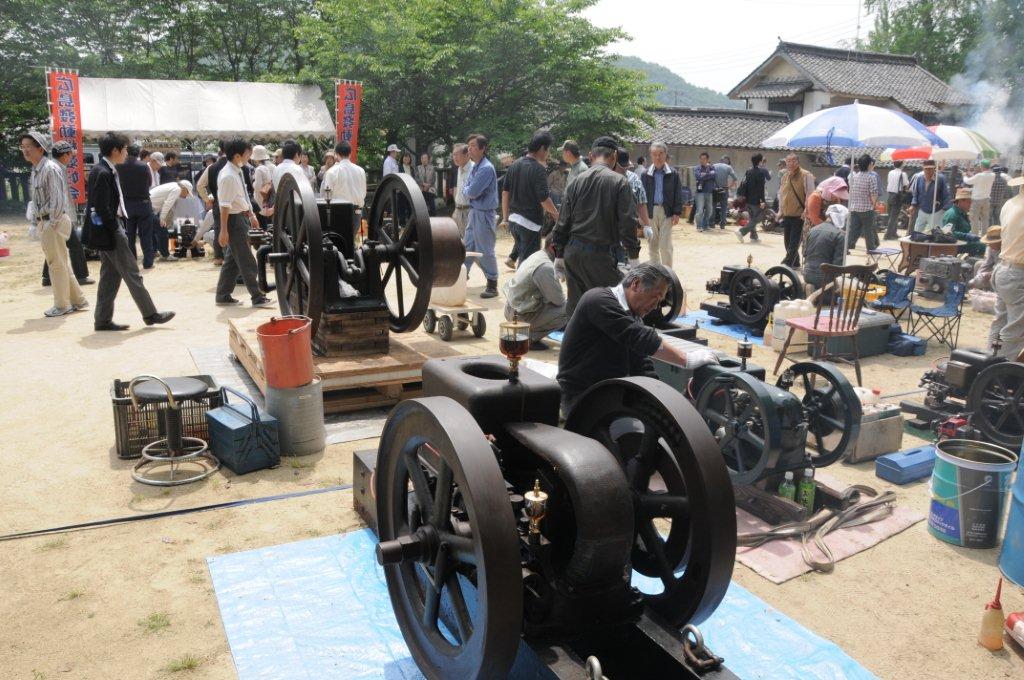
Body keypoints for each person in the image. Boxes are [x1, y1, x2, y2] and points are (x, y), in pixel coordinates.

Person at [556, 263, 717, 415]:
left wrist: (663, 399)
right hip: (581, 396)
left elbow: (642, 367)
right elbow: (639, 337)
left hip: (609, 392)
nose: (656, 306)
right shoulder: (598, 300)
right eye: (655, 297)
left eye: (660, 302)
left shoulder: (633, 318)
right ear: (636, 284)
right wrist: (686, 359)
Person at [82, 131, 173, 331]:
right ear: (115, 150)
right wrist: (114, 229)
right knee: (132, 272)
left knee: (110, 276)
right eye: (124, 150)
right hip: (111, 228)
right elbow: (101, 207)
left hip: (109, 227)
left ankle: (102, 319)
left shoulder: (105, 169)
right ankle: (150, 314)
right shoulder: (103, 172)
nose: (126, 153)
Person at [552, 136, 640, 317]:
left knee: (576, 311)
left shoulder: (575, 181)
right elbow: (627, 223)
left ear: (591, 155)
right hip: (599, 257)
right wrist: (634, 258)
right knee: (612, 309)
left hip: (573, 255)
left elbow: (562, 222)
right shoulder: (619, 182)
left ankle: (574, 344)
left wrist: (559, 255)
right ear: (614, 156)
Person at [20, 131, 89, 317]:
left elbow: (58, 200)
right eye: (23, 147)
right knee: (61, 262)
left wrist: (50, 222)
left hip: (54, 221)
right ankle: (78, 300)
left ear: (40, 148)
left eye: (29, 147)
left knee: (55, 264)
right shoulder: (36, 170)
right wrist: (35, 222)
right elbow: (36, 199)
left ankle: (62, 305)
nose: (25, 150)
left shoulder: (50, 168)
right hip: (46, 221)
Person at [215, 138, 273, 308]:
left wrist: (251, 214)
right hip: (233, 220)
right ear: (238, 155)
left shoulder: (236, 171)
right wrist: (223, 230)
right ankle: (257, 296)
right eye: (248, 154)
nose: (250, 157)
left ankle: (223, 294)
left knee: (233, 261)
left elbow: (242, 197)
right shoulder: (228, 176)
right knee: (247, 260)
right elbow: (224, 206)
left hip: (240, 217)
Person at [501, 132, 560, 268]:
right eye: (548, 149)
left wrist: (505, 218)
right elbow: (544, 199)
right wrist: (556, 215)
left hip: (514, 221)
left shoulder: (514, 165)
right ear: (542, 149)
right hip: (530, 223)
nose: (548, 153)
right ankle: (519, 288)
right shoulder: (538, 169)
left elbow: (505, 193)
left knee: (523, 259)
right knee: (528, 265)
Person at [502, 240, 567, 350]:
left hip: (513, 310)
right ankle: (528, 338)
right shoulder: (546, 267)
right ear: (552, 247)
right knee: (571, 309)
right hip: (521, 316)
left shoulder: (538, 255)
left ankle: (527, 332)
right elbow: (559, 301)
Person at [44, 139, 92, 286]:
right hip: (60, 214)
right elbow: (60, 196)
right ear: (65, 155)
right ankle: (81, 275)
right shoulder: (55, 169)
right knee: (75, 245)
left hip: (58, 214)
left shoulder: (55, 167)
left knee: (56, 245)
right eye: (70, 155)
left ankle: (47, 277)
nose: (72, 157)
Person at [463, 134, 500, 298]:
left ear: (482, 149)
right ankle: (461, 277)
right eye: (468, 145)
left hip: (484, 214)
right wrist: (468, 191)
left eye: (472, 145)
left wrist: (467, 191)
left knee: (485, 250)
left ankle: (492, 283)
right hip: (474, 212)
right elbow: (468, 190)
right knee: (468, 246)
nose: (469, 148)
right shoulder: (475, 166)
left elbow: (471, 191)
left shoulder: (486, 168)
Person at [991, 175, 1024, 357]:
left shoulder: (1010, 203)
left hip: (1003, 269)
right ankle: (1003, 374)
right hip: (1018, 273)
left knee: (1000, 323)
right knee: (1016, 328)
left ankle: (989, 365)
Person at [640, 142, 684, 266]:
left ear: (665, 155)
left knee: (665, 246)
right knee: (652, 246)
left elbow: (678, 193)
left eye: (660, 154)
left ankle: (668, 274)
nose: (658, 157)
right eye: (654, 154)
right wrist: (641, 215)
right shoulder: (645, 174)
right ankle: (655, 274)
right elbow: (641, 196)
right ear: (651, 156)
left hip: (667, 212)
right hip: (650, 212)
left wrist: (677, 212)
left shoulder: (673, 174)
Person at [117, 144, 158, 267]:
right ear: (138, 153)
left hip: (127, 204)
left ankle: (131, 261)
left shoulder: (119, 166)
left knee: (130, 234)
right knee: (146, 234)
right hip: (144, 204)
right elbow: (150, 182)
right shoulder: (144, 166)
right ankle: (148, 262)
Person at [778, 153, 816, 268]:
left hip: (799, 215)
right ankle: (795, 262)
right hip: (787, 214)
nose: (791, 163)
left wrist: (807, 210)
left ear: (798, 162)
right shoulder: (785, 176)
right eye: (788, 161)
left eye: (794, 161)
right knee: (787, 242)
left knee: (794, 242)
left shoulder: (806, 175)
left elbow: (811, 194)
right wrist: (780, 211)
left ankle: (786, 264)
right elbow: (781, 195)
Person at [615, 148, 649, 263]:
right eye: (621, 167)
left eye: (626, 167)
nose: (624, 169)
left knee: (626, 266)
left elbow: (641, 202)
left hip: (628, 230)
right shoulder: (604, 179)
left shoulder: (633, 178)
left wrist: (647, 225)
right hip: (608, 232)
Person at [802, 206, 847, 291]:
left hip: (807, 274)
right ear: (841, 217)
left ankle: (810, 288)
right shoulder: (839, 235)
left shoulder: (812, 230)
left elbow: (805, 254)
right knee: (840, 295)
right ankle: (818, 293)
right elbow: (838, 264)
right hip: (824, 277)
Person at [197, 141, 228, 264]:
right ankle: (230, 257)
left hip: (217, 202)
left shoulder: (211, 167)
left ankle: (218, 257)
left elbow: (200, 185)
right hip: (233, 203)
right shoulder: (236, 165)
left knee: (219, 228)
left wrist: (207, 199)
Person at [321, 140, 367, 215]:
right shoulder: (361, 171)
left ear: (336, 154)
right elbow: (363, 193)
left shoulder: (331, 172)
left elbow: (327, 196)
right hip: (357, 213)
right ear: (350, 153)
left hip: (338, 212)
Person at [846, 154, 879, 252]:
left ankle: (847, 247)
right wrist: (874, 205)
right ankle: (871, 249)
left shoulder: (853, 177)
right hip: (866, 208)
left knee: (853, 230)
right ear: (869, 164)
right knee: (868, 230)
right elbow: (873, 194)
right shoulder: (871, 177)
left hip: (854, 207)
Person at [736, 153, 771, 242]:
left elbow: (743, 183)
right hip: (756, 201)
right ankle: (741, 231)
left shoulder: (748, 171)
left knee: (752, 218)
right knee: (758, 218)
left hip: (747, 199)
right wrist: (762, 201)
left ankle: (754, 236)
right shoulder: (761, 173)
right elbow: (761, 188)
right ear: (759, 161)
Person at [909, 159, 951, 232]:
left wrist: (945, 209)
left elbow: (946, 195)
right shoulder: (919, 178)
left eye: (930, 169)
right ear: (923, 169)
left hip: (936, 211)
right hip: (922, 209)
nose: (928, 171)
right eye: (926, 169)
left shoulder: (940, 179)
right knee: (917, 231)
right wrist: (913, 205)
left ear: (934, 169)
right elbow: (916, 194)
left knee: (936, 233)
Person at [943, 188, 986, 257]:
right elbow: (948, 233)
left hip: (962, 241)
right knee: (982, 246)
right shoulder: (952, 214)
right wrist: (967, 236)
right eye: (968, 202)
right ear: (960, 201)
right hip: (954, 243)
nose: (970, 204)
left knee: (983, 243)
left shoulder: (963, 213)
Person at [963, 160, 995, 235]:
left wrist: (964, 176)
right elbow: (978, 179)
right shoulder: (992, 175)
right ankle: (984, 236)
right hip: (986, 199)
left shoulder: (979, 176)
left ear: (982, 166)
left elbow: (968, 181)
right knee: (985, 219)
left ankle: (975, 235)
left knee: (974, 219)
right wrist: (969, 173)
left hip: (976, 200)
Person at [450, 143, 474, 238]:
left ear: (467, 155)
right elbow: (458, 189)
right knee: (463, 240)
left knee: (471, 240)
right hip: (459, 210)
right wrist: (456, 209)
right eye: (453, 154)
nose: (454, 157)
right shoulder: (459, 168)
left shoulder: (474, 169)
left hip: (470, 211)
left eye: (457, 154)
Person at [884, 160, 910, 239]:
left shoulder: (890, 172)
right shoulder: (903, 174)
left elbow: (889, 182)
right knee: (894, 216)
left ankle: (893, 233)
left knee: (891, 215)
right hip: (898, 196)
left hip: (890, 195)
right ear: (902, 165)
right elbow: (906, 184)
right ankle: (888, 235)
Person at [691, 153, 717, 232]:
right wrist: (707, 175)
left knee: (709, 210)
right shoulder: (697, 168)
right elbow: (698, 176)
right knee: (700, 210)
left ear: (708, 159)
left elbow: (714, 175)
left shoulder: (712, 167)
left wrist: (705, 175)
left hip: (709, 192)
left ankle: (705, 225)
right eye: (701, 159)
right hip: (700, 192)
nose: (702, 160)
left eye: (704, 159)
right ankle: (699, 226)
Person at [970, 226, 1000, 291]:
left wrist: (991, 273)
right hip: (995, 267)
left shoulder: (1007, 249)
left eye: (991, 243)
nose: (989, 245)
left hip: (1005, 270)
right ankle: (979, 291)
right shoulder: (990, 248)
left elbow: (1004, 267)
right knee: (978, 264)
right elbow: (986, 263)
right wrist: (978, 277)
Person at [712, 156, 738, 230]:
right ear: (726, 162)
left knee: (713, 206)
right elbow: (735, 178)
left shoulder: (714, 166)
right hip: (724, 189)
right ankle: (722, 224)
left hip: (715, 189)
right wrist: (729, 187)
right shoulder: (728, 167)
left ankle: (712, 223)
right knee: (723, 208)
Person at [251, 145, 276, 219]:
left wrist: (252, 183)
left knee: (261, 224)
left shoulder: (259, 169)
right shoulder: (272, 167)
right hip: (269, 198)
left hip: (260, 200)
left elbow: (257, 186)